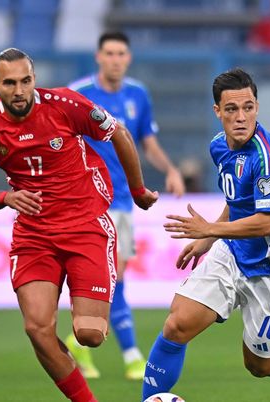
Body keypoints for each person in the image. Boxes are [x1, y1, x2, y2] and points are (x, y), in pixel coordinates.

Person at [141, 68, 270, 400]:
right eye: (232, 109)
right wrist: (209, 239)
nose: (241, 117)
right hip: (233, 252)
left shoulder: (267, 158)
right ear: (217, 112)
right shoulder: (218, 147)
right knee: (176, 326)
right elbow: (237, 201)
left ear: (257, 107)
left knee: (260, 366)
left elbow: (267, 222)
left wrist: (210, 228)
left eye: (249, 107)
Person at [0, 48, 157, 402]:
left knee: (89, 334)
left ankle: (86, 325)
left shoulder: (65, 104)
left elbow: (121, 134)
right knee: (37, 329)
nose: (19, 90)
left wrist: (138, 190)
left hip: (85, 224)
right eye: (9, 83)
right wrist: (5, 198)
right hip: (34, 234)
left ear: (34, 79)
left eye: (25, 81)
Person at [64, 31, 185, 381]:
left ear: (127, 58)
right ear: (98, 57)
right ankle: (132, 354)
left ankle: (79, 343)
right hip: (87, 199)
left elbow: (147, 142)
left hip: (123, 200)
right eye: (109, 53)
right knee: (113, 274)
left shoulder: (138, 94)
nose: (115, 59)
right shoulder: (79, 94)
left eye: (121, 53)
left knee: (114, 276)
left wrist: (171, 169)